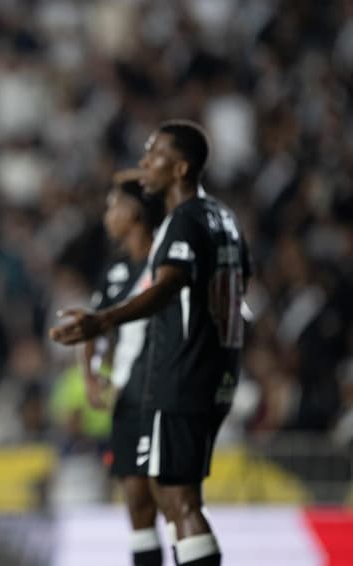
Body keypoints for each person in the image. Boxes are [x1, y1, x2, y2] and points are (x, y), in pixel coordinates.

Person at [50, 120, 251, 566]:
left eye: (154, 153)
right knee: (168, 497)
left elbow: (166, 287)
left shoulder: (183, 223)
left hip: (179, 374)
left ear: (180, 168)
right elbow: (239, 291)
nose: (144, 162)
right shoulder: (225, 220)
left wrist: (102, 320)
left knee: (177, 501)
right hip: (216, 371)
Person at [81, 169, 167, 566]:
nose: (107, 215)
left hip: (164, 394)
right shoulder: (115, 272)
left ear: (134, 213)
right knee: (135, 501)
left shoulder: (169, 265)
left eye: (114, 205)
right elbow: (94, 328)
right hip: (128, 398)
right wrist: (93, 375)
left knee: (172, 497)